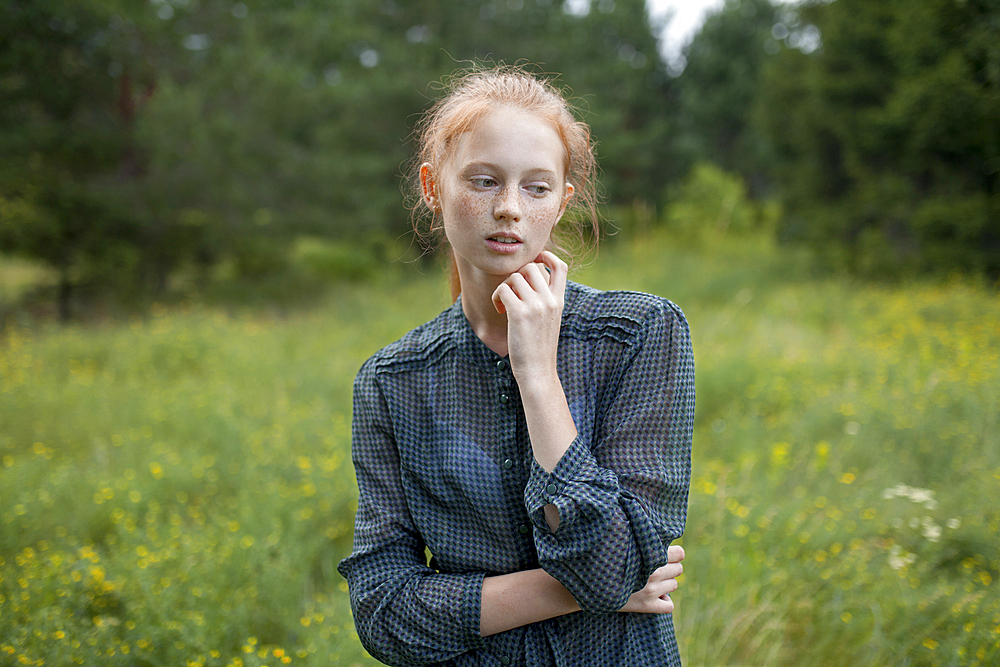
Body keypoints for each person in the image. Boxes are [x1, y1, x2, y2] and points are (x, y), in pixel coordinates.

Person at [337, 65, 695, 667]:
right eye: (483, 181)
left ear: (561, 202)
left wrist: (538, 374)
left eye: (536, 187)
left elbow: (616, 562)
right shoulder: (393, 381)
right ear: (432, 187)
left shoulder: (639, 334)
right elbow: (382, 612)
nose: (509, 209)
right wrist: (583, 591)